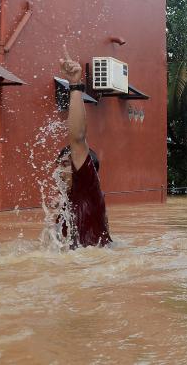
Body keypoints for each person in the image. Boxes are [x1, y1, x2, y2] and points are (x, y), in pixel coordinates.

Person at [55, 45, 111, 249]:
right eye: (59, 165)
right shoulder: (66, 202)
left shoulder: (88, 188)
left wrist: (75, 85)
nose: (60, 172)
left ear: (87, 171)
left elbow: (77, 138)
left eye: (66, 165)